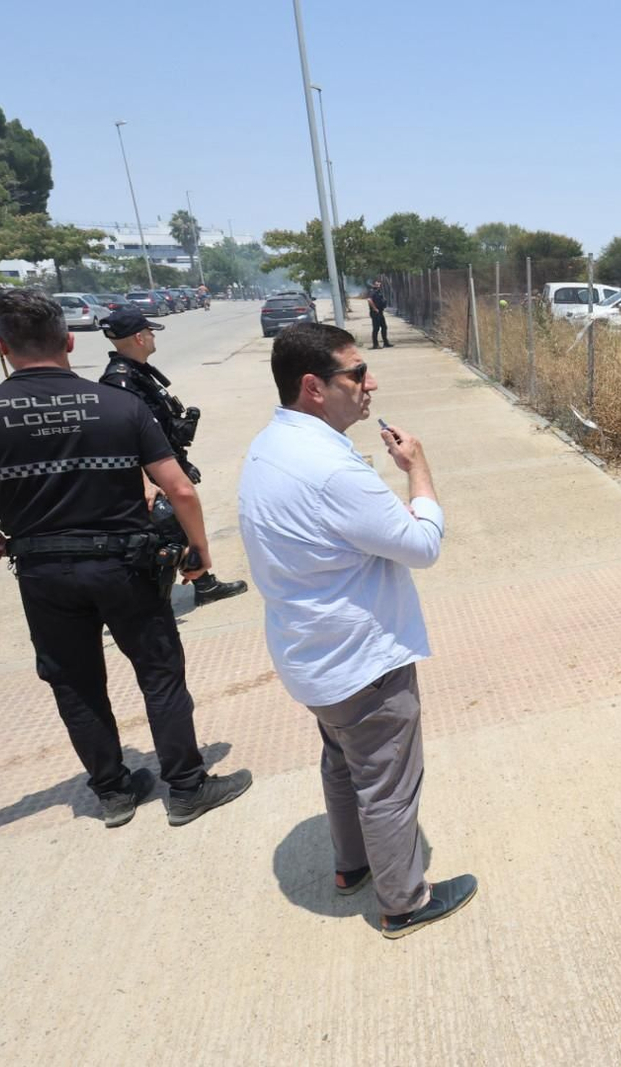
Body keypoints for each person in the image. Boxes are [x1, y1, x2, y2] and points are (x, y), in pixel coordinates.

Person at [0, 289, 252, 827]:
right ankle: (187, 787)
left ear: (1, 347)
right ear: (68, 340)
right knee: (159, 675)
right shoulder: (120, 404)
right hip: (125, 566)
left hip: (42, 571)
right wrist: (198, 551)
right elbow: (179, 488)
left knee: (75, 682)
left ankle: (113, 792)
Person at [237, 321, 475, 940]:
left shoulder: (272, 444)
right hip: (360, 661)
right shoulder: (328, 469)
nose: (372, 384)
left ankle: (353, 866)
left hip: (312, 656)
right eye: (357, 373)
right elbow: (421, 544)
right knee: (388, 782)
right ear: (314, 386)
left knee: (344, 764)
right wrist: (417, 470)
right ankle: (404, 901)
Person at [99, 308, 249, 606]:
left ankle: (201, 583)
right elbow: (120, 438)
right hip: (149, 469)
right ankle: (156, 595)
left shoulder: (137, 373)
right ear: (139, 337)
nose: (154, 337)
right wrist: (143, 479)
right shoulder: (120, 381)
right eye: (150, 332)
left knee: (173, 527)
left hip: (164, 460)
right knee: (166, 530)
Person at [367, 280, 392, 350]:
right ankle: (375, 344)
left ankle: (386, 343)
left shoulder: (378, 292)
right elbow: (369, 300)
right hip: (375, 313)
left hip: (380, 312)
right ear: (374, 285)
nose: (378, 285)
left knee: (384, 327)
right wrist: (375, 308)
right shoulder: (372, 292)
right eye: (377, 284)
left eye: (379, 284)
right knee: (376, 328)